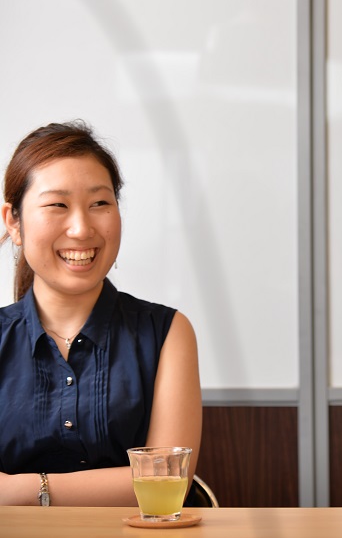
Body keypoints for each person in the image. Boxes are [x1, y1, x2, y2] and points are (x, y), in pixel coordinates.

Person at [0, 121, 202, 506]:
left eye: (100, 204)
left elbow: (167, 479)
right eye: (57, 205)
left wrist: (25, 489)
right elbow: (144, 478)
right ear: (14, 222)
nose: (81, 228)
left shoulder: (167, 332)